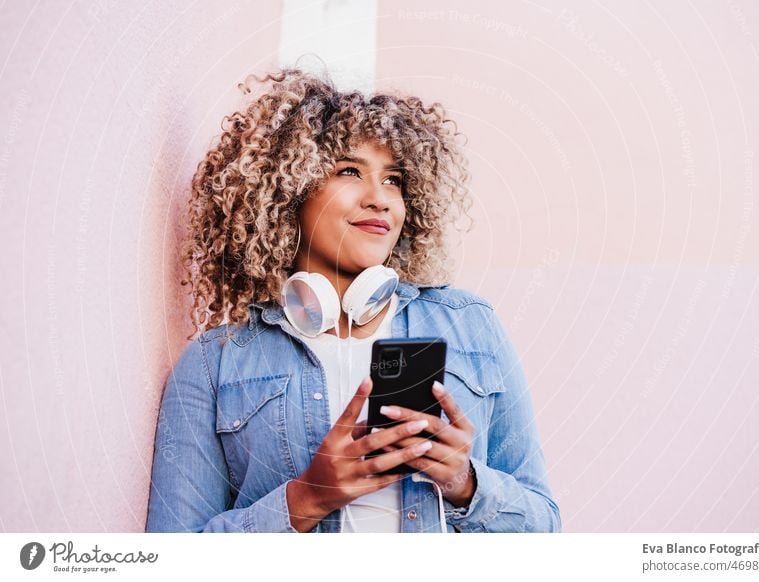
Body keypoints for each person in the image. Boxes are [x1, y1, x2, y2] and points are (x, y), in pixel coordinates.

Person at [145, 68, 561, 533]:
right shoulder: (213, 366)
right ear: (289, 191)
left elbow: (544, 527)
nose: (380, 200)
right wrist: (306, 498)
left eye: (394, 180)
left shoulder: (470, 328)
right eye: (349, 171)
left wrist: (466, 485)